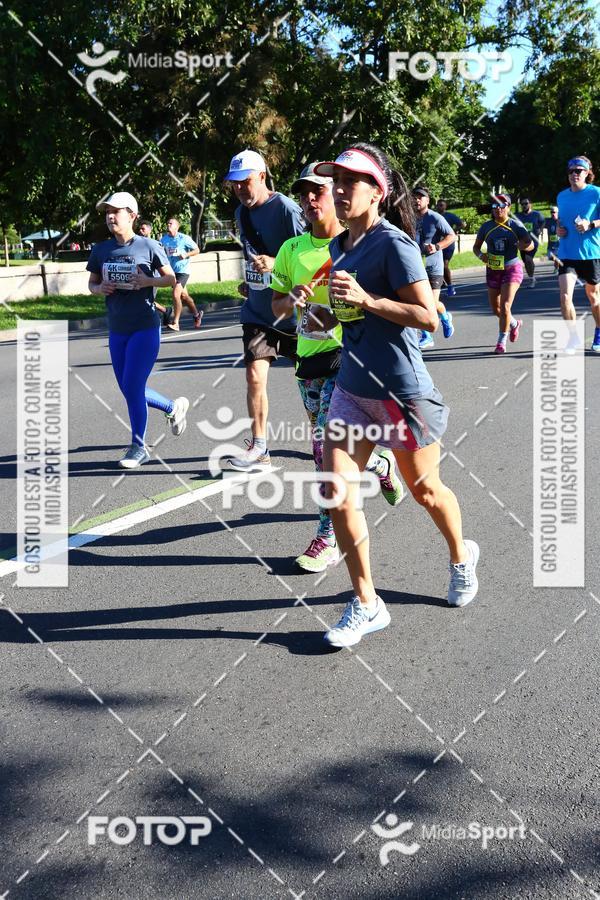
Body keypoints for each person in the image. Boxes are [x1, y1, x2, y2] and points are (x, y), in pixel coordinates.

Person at [312, 144, 479, 648]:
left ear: (377, 192)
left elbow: (427, 316)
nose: (339, 189)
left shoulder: (396, 244)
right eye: (334, 180)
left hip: (401, 395)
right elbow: (351, 319)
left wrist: (366, 299)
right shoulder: (340, 247)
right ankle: (367, 602)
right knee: (336, 492)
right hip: (351, 389)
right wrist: (323, 317)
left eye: (350, 181)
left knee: (427, 491)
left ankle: (460, 556)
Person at [271, 163, 405, 573]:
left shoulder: (359, 247)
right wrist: (291, 297)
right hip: (307, 361)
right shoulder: (291, 250)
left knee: (324, 455)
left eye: (319, 192)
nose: (311, 201)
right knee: (331, 450)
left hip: (348, 360)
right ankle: (380, 464)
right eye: (305, 194)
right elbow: (276, 309)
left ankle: (325, 539)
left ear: (337, 196)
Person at [87, 192, 189, 468]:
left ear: (131, 215)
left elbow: (170, 278)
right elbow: (92, 284)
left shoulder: (149, 246)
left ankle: (138, 446)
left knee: (132, 386)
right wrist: (100, 289)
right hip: (117, 329)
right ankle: (172, 407)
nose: (110, 216)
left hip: (145, 327)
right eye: (107, 212)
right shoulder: (101, 250)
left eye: (115, 211)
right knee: (129, 388)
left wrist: (148, 281)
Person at [223, 149, 305, 470]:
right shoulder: (241, 213)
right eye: (235, 184)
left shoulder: (285, 208)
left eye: (245, 181)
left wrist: (276, 264)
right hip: (258, 311)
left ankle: (324, 439)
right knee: (254, 377)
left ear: (262, 175)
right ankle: (259, 447)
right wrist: (252, 280)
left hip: (294, 312)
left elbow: (307, 255)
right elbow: (252, 256)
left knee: (311, 384)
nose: (240, 188)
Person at [472, 194, 534, 354]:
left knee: (506, 306)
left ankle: (501, 341)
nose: (498, 208)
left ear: (509, 207)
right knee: (496, 309)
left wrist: (523, 246)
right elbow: (476, 247)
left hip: (512, 268)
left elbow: (530, 244)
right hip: (493, 269)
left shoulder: (516, 225)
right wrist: (481, 256)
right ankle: (514, 324)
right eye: (494, 206)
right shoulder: (486, 227)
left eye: (502, 205)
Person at [555, 155, 600, 353]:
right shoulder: (561, 196)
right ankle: (573, 338)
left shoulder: (596, 193)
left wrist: (590, 224)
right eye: (571, 171)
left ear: (587, 173)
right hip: (567, 253)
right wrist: (558, 229)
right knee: (565, 296)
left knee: (594, 298)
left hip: (591, 253)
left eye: (579, 170)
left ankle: (598, 332)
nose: (574, 174)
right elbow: (560, 222)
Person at [413, 187, 456, 349]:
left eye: (421, 197)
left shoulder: (435, 217)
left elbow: (451, 236)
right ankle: (429, 333)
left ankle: (443, 320)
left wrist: (437, 246)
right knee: (417, 301)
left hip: (434, 266)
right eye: (414, 197)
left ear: (427, 200)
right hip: (417, 266)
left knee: (430, 302)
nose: (417, 200)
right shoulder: (410, 218)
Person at [160, 218, 203, 331]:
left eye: (171, 223)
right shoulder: (164, 239)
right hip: (172, 271)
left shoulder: (184, 238)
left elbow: (197, 250)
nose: (168, 224)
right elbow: (162, 254)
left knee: (175, 295)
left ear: (177, 226)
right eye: (167, 223)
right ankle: (197, 315)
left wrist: (186, 254)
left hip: (183, 271)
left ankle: (176, 322)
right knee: (184, 296)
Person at [138, 219, 174, 327]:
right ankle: (165, 310)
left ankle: (153, 322)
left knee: (146, 300)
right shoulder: (138, 244)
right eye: (139, 229)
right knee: (142, 299)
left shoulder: (155, 245)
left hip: (154, 276)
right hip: (142, 277)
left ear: (149, 230)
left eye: (143, 229)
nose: (140, 231)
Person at [435, 199, 465, 297]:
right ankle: (442, 283)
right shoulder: (433, 216)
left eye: (441, 205)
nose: (439, 207)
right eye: (438, 205)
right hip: (436, 244)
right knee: (436, 266)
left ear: (445, 206)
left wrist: (453, 231)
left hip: (448, 244)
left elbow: (462, 224)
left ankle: (450, 287)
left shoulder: (450, 216)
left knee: (444, 265)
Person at [517, 198, 545, 287]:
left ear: (530, 204)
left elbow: (543, 222)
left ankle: (532, 279)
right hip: (522, 241)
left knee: (528, 258)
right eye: (522, 204)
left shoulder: (536, 214)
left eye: (526, 203)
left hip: (533, 241)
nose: (524, 205)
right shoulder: (518, 216)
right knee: (525, 260)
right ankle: (532, 277)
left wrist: (540, 230)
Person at [545, 205, 560, 271]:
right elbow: (540, 223)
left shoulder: (561, 220)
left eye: (554, 212)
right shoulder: (548, 221)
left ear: (558, 213)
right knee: (550, 257)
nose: (553, 214)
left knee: (557, 256)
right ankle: (557, 265)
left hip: (559, 244)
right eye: (551, 212)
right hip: (551, 245)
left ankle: (557, 268)